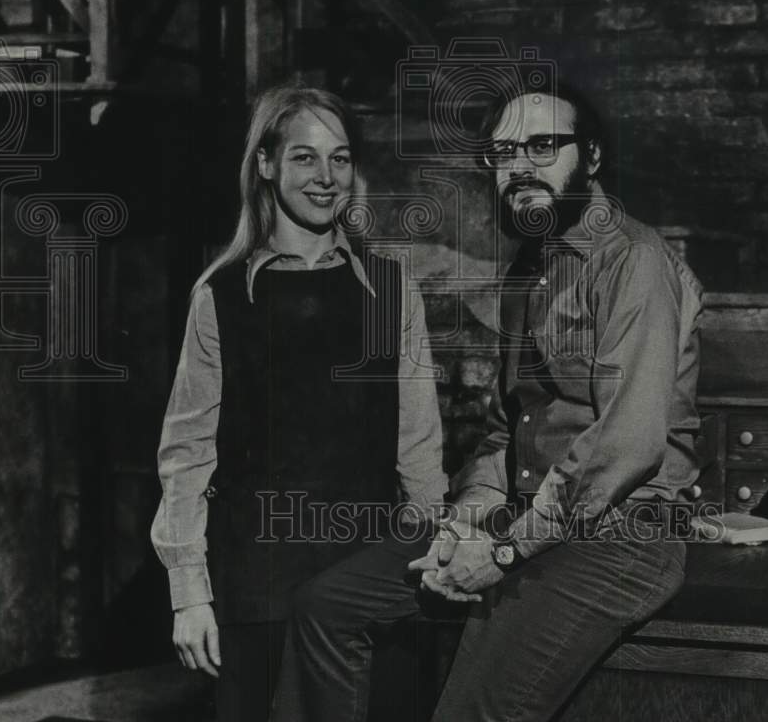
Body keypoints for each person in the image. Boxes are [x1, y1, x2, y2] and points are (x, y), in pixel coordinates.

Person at [275, 76, 703, 722]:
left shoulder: (633, 261)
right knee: (324, 607)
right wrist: (467, 518)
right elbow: (511, 431)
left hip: (620, 535)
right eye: (503, 154)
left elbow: (626, 447)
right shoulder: (529, 267)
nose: (518, 168)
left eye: (541, 146)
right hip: (531, 520)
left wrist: (502, 553)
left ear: (589, 158)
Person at [151, 84, 447, 721]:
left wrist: (430, 564)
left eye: (339, 159)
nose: (326, 177)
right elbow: (187, 455)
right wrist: (189, 595)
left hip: (367, 573)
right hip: (259, 582)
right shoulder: (221, 296)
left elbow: (419, 449)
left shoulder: (393, 291)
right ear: (265, 164)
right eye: (304, 158)